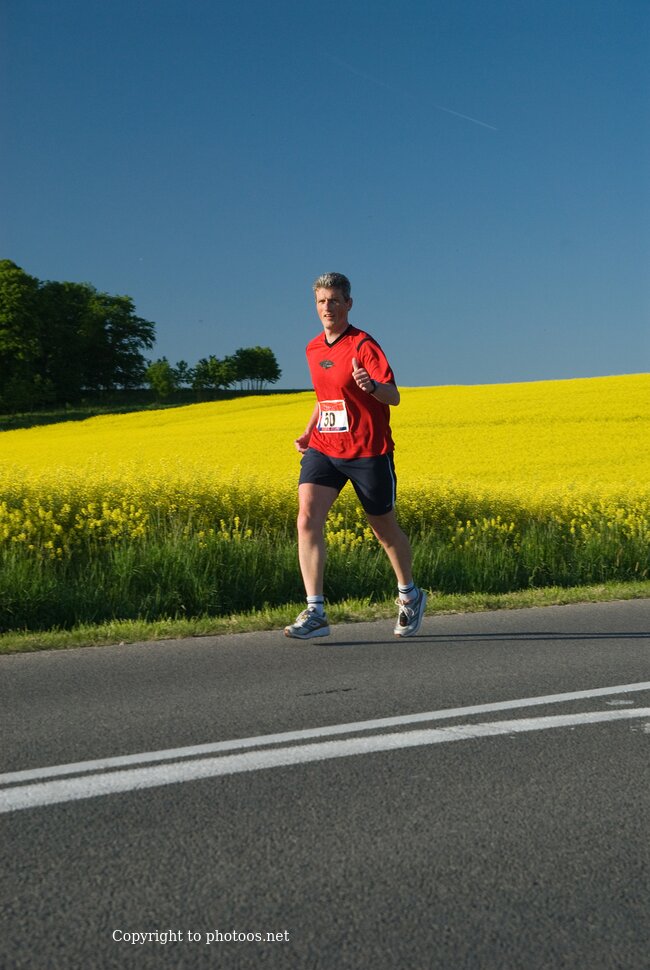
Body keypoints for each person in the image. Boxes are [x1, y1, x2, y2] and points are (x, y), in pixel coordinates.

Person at [284, 272, 427, 640]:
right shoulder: (313, 349)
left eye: (334, 300)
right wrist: (309, 429)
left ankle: (409, 595)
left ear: (348, 303)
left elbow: (393, 395)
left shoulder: (363, 345)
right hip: (325, 447)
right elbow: (325, 398)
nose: (327, 307)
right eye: (321, 301)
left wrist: (372, 386)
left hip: (367, 451)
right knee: (306, 518)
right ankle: (316, 611)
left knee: (384, 530)